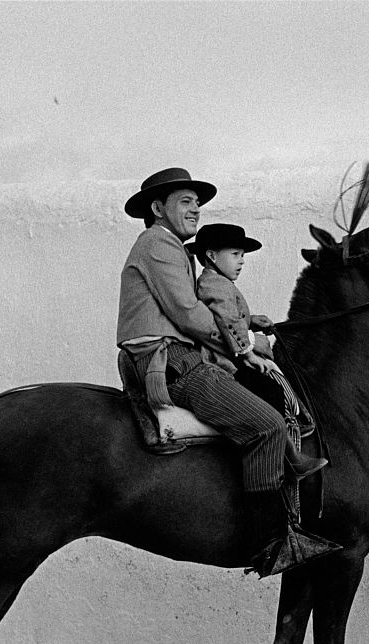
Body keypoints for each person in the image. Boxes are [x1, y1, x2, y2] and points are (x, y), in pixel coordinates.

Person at [115, 168, 335, 577]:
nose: (196, 208)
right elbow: (190, 313)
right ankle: (271, 542)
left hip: (173, 355)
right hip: (171, 362)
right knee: (267, 424)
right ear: (157, 208)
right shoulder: (158, 244)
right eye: (186, 201)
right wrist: (244, 349)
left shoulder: (170, 247)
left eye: (198, 203)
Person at [187, 223, 313, 448]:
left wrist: (252, 319)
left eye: (242, 255)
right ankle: (283, 451)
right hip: (224, 362)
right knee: (269, 391)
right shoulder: (216, 285)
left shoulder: (217, 283)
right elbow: (228, 320)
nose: (242, 261)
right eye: (235, 254)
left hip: (229, 356)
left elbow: (225, 315)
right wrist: (249, 354)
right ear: (212, 256)